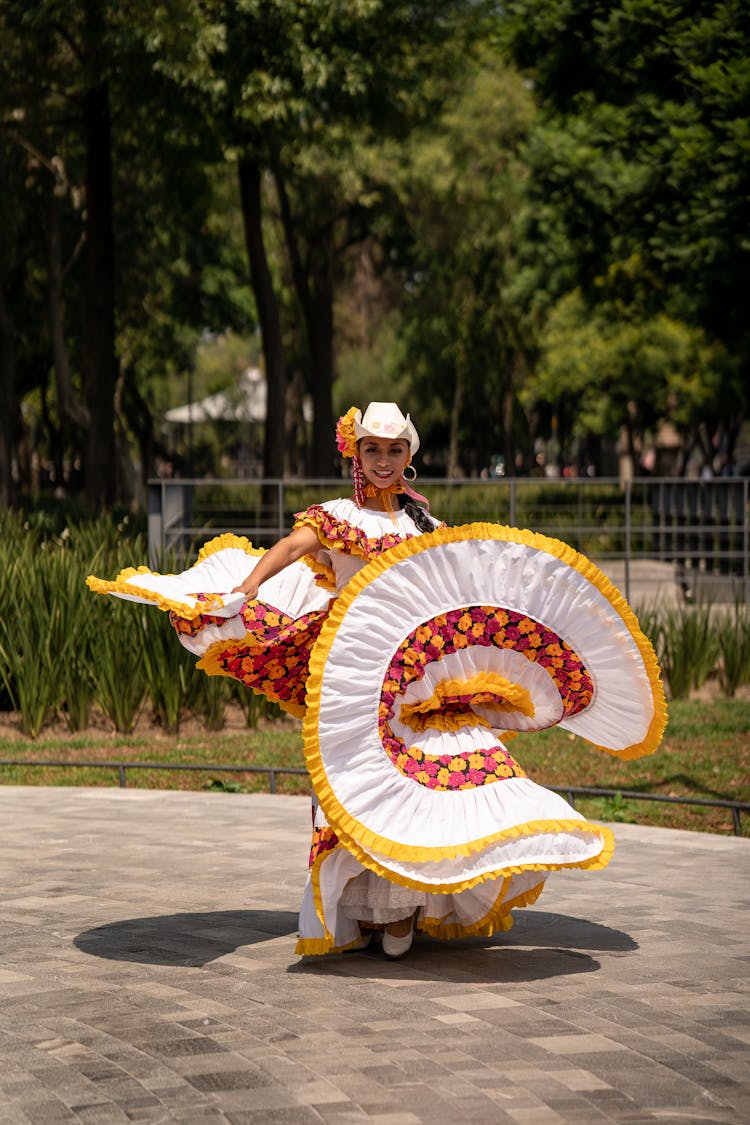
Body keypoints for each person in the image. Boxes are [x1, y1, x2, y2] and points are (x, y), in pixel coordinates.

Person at [87, 401, 665, 961]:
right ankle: (364, 915)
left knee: (423, 785)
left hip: (419, 682)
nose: (383, 460)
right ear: (355, 454)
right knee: (351, 787)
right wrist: (249, 589)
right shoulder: (338, 516)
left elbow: (462, 590)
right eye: (372, 449)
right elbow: (289, 547)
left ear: (407, 455)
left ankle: (404, 911)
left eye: (393, 449)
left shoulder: (428, 525)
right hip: (352, 681)